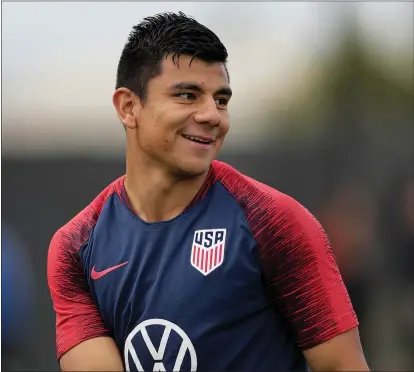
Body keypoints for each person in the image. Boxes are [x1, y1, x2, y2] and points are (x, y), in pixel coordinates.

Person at [47, 12, 369, 372]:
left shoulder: (273, 221)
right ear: (128, 106)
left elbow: (343, 366)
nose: (212, 115)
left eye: (221, 100)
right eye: (187, 95)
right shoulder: (76, 248)